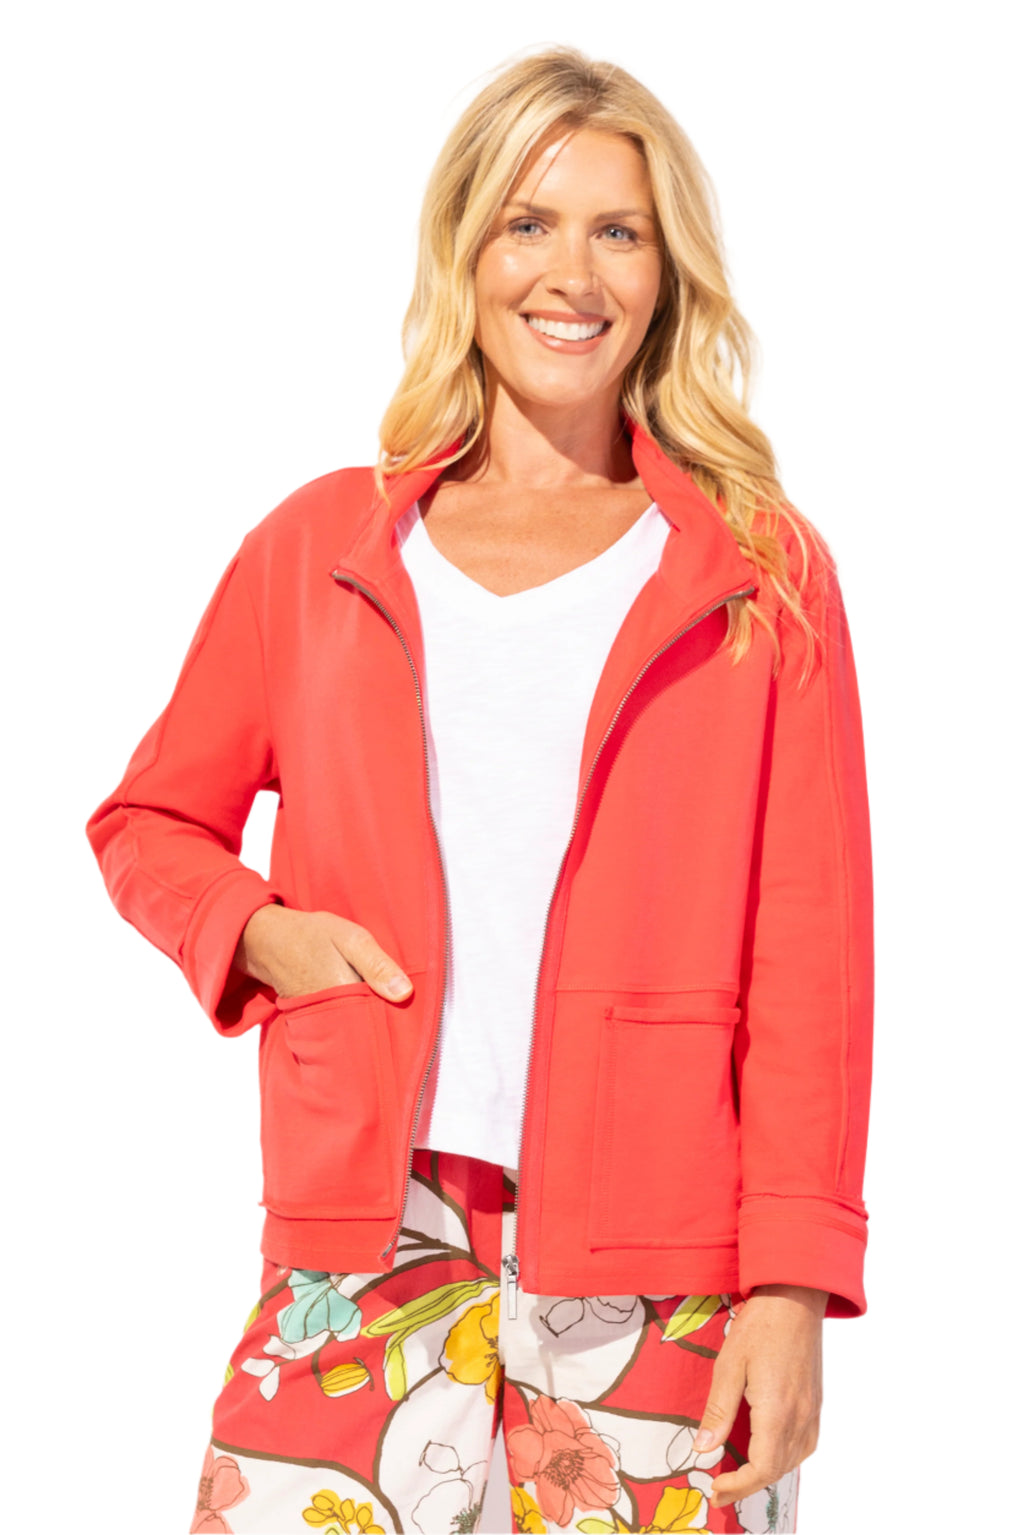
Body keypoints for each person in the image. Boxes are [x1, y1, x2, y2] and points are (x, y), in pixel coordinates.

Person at [85, 43, 873, 1535]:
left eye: (618, 230)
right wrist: (261, 935)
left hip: (667, 1267)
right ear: (466, 249)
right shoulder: (321, 550)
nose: (572, 273)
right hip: (366, 1233)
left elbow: (811, 958)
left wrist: (793, 1285)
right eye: (528, 222)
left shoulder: (757, 572)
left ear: (666, 273)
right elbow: (150, 822)